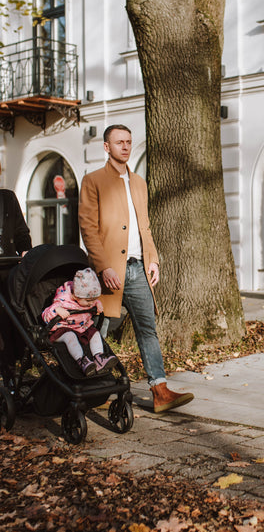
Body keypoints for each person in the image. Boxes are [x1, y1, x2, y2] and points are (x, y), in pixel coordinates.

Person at [78, 124, 194, 412]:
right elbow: (89, 229)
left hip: (137, 268)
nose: (125, 147)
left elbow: (145, 226)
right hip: (110, 273)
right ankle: (94, 389)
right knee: (97, 331)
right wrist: (104, 267)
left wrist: (153, 259)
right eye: (119, 142)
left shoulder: (139, 182)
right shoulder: (93, 181)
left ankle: (160, 390)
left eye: (129, 141)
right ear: (107, 147)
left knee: (147, 329)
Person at [42, 267, 117, 376]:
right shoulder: (62, 301)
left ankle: (99, 357)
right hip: (62, 330)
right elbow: (46, 315)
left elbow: (92, 300)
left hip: (82, 328)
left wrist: (97, 304)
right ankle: (81, 361)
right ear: (76, 295)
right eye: (88, 301)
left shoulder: (88, 299)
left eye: (94, 300)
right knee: (70, 336)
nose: (91, 303)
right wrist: (56, 310)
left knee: (95, 333)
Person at [0, 162, 32, 388]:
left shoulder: (7, 199)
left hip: (7, 270)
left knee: (10, 323)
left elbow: (21, 231)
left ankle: (11, 373)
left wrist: (26, 250)